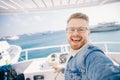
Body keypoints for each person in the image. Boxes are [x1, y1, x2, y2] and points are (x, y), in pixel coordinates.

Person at [53, 12, 120, 80]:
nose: (75, 33)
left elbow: (107, 73)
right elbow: (75, 72)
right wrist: (62, 69)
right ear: (67, 33)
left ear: (88, 33)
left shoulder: (92, 55)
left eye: (81, 29)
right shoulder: (74, 52)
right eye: (71, 29)